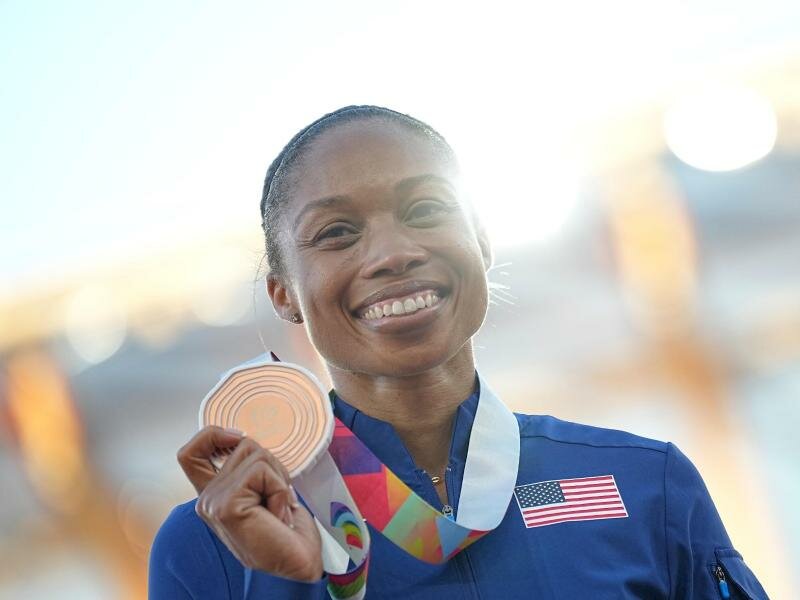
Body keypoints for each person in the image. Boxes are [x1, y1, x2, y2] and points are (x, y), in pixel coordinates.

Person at [148, 105, 769, 599]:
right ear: (283, 295)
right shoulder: (210, 544)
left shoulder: (644, 482)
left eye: (426, 209)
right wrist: (282, 586)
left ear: (482, 242)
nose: (392, 254)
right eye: (336, 232)